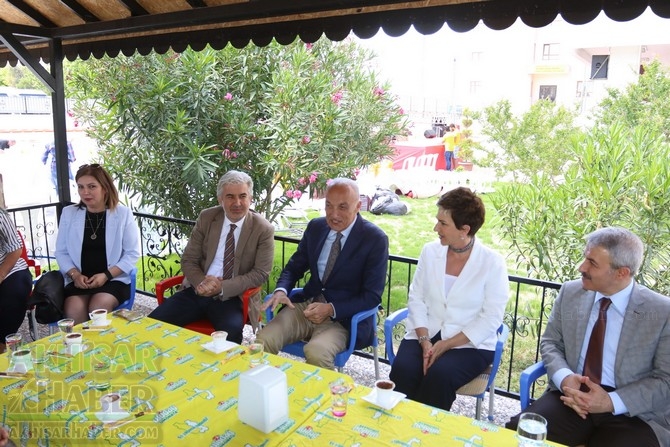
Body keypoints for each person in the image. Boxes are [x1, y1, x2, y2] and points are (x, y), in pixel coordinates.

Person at [506, 227, 670, 447]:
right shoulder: (571, 292)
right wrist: (565, 378)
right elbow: (551, 343)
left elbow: (665, 380)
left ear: (621, 272)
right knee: (518, 436)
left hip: (634, 413)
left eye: (592, 263)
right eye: (585, 258)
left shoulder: (662, 312)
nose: (582, 267)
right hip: (572, 398)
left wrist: (610, 401)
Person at [388, 186, 509, 411]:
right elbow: (416, 298)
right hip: (425, 332)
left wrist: (447, 344)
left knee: (439, 376)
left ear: (464, 229)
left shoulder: (492, 263)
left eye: (443, 224)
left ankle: (427, 434)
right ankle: (396, 430)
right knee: (403, 371)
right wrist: (425, 341)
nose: (436, 228)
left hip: (470, 344)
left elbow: (491, 317)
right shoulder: (429, 251)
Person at [257, 178, 389, 368]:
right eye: (329, 205)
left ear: (358, 206)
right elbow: (294, 267)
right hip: (307, 305)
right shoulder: (316, 227)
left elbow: (372, 296)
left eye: (343, 207)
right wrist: (281, 290)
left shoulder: (374, 239)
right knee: (262, 340)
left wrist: (331, 309)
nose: (334, 214)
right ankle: (262, 392)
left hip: (343, 319)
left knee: (316, 352)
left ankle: (323, 397)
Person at [148, 170, 274, 344]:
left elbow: (260, 273)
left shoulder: (263, 229)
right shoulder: (207, 217)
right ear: (220, 199)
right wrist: (201, 282)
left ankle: (225, 371)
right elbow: (189, 259)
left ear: (250, 198)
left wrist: (221, 287)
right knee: (152, 325)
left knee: (230, 338)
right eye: (230, 196)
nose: (237, 203)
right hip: (196, 289)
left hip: (231, 296)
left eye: (242, 196)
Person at [55, 164, 140, 324]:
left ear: (105, 188)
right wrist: (75, 275)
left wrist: (106, 275)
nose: (85, 192)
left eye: (92, 186)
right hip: (79, 280)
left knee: (98, 308)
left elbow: (132, 253)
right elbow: (61, 252)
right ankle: (82, 348)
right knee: (73, 310)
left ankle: (104, 347)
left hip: (113, 279)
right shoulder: (69, 213)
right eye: (81, 187)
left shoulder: (122, 214)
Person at [0, 207, 32, 354]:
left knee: (14, 293)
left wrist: (0, 275)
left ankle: (3, 346)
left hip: (10, 269)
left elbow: (15, 249)